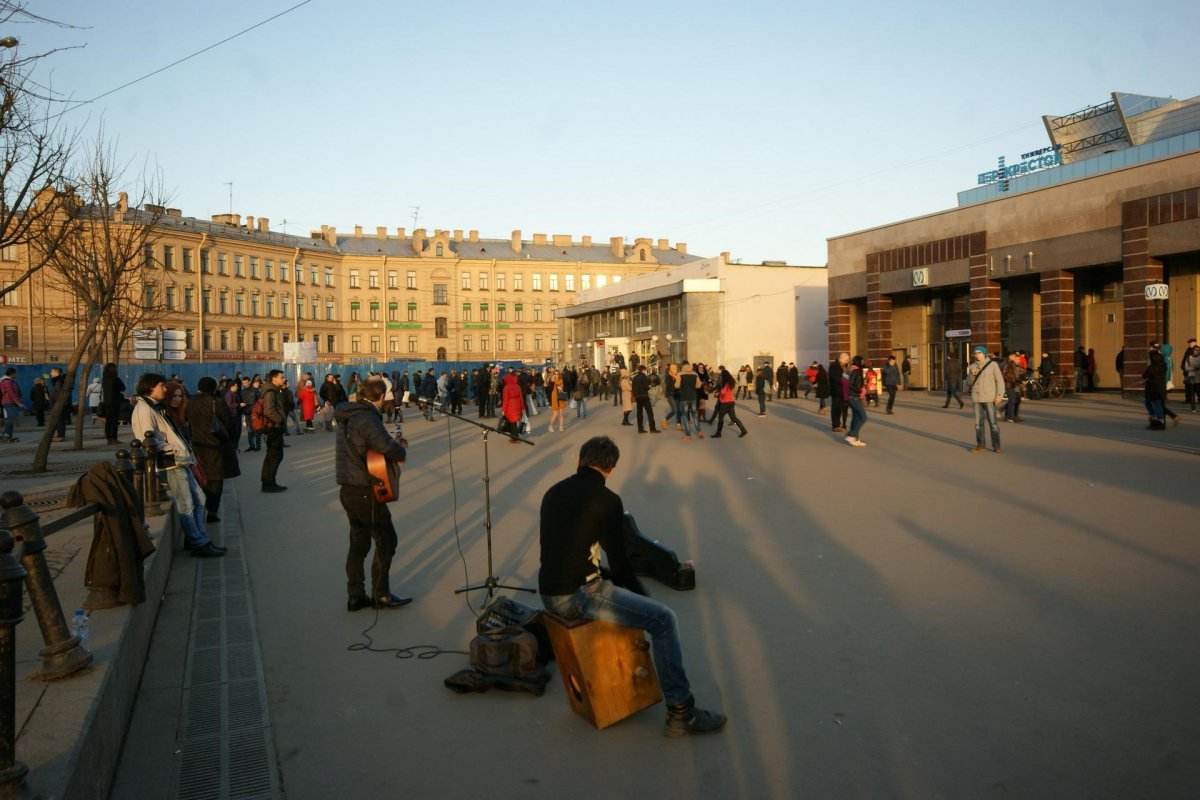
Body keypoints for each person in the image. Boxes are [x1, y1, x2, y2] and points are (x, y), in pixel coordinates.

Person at [538, 436, 726, 737]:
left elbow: (560, 549)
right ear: (611, 468)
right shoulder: (608, 501)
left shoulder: (553, 492)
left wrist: (610, 579)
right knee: (663, 619)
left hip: (548, 591)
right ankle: (682, 712)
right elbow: (621, 561)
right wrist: (640, 594)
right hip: (577, 596)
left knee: (624, 598)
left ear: (580, 460)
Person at [334, 377, 411, 611]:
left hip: (349, 487)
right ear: (380, 397)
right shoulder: (366, 418)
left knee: (359, 542)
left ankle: (355, 595)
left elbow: (369, 446)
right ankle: (381, 593)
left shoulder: (351, 414)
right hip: (364, 489)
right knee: (386, 539)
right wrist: (401, 452)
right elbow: (384, 445)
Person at [131, 373, 225, 557]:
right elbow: (146, 439)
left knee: (199, 499)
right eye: (162, 386)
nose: (165, 389)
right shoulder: (144, 409)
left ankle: (199, 538)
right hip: (170, 462)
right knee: (187, 504)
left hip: (180, 460)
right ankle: (199, 543)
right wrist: (173, 448)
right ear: (150, 387)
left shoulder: (153, 406)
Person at [187, 376, 238, 522]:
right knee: (216, 479)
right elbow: (229, 422)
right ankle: (212, 511)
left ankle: (200, 507)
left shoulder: (190, 402)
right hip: (216, 446)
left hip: (197, 445)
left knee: (200, 477)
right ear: (213, 388)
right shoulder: (217, 402)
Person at [967, 346, 1005, 453]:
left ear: (984, 354)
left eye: (979, 353)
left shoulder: (993, 365)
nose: (977, 354)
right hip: (977, 398)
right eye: (975, 353)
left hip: (989, 397)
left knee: (993, 423)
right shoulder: (972, 366)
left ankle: (996, 446)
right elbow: (969, 383)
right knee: (978, 424)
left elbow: (1000, 381)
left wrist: (999, 395)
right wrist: (972, 374)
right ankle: (980, 445)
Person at [259, 370, 287, 492]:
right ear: (274, 379)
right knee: (275, 456)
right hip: (273, 428)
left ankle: (268, 482)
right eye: (281, 377)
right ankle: (268, 483)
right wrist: (280, 420)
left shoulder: (274, 391)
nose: (283, 379)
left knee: (273, 456)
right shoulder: (270, 393)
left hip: (275, 428)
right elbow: (269, 411)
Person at [710, 366, 746, 439]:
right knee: (733, 418)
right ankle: (743, 430)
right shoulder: (731, 382)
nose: (721, 376)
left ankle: (718, 433)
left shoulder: (726, 384)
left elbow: (723, 393)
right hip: (731, 402)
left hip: (725, 403)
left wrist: (717, 394)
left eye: (722, 375)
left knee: (720, 418)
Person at [844, 356, 868, 447]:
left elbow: (847, 382)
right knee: (863, 417)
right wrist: (860, 390)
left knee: (856, 417)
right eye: (862, 361)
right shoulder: (857, 371)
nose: (863, 362)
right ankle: (852, 435)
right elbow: (852, 385)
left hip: (850, 397)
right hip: (855, 397)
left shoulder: (850, 370)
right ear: (859, 362)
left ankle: (855, 438)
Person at [1142, 349, 1168, 429]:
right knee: (1150, 403)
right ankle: (1156, 419)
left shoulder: (1153, 366)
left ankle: (1159, 420)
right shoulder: (1163, 365)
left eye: (1149, 357)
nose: (1148, 358)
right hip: (1159, 387)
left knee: (1155, 404)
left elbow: (1144, 375)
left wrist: (1148, 365)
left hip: (1153, 388)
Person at [101, 363, 126, 444]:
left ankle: (108, 439)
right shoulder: (116, 379)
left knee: (108, 421)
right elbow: (123, 388)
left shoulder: (104, 379)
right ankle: (114, 438)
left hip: (106, 402)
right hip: (115, 401)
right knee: (114, 421)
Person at [632, 365, 659, 433]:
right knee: (650, 412)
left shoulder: (634, 378)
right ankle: (652, 428)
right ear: (643, 370)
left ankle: (640, 429)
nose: (646, 371)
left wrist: (635, 395)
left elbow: (633, 388)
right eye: (646, 370)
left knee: (639, 413)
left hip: (638, 397)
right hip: (644, 396)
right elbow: (646, 387)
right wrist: (649, 386)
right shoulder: (644, 377)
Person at [1, 368, 25, 442]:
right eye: (15, 373)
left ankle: (8, 435)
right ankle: (6, 435)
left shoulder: (12, 382)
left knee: (12, 418)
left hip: (12, 403)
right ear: (12, 373)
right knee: (11, 418)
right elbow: (10, 393)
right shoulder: (7, 381)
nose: (16, 375)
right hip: (8, 402)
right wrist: (18, 403)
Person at [829, 354, 849, 431]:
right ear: (842, 358)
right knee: (835, 408)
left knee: (839, 408)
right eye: (846, 360)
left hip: (841, 391)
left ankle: (838, 424)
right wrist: (844, 381)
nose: (847, 362)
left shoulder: (842, 366)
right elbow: (834, 377)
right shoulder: (834, 366)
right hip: (836, 390)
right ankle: (835, 426)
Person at [1002, 352, 1024, 423]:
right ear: (1011, 357)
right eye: (1016, 358)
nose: (1018, 360)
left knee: (1016, 400)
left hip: (1015, 384)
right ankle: (1009, 416)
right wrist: (1011, 380)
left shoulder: (1016, 365)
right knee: (1012, 400)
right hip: (1009, 384)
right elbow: (1004, 374)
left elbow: (1018, 374)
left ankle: (1012, 415)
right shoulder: (1008, 364)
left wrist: (1023, 373)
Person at [1180, 339, 1200, 412]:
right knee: (1188, 386)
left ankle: (1197, 399)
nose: (1189, 344)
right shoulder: (1188, 350)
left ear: (1195, 343)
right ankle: (1188, 399)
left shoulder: (1198, 350)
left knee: (1197, 387)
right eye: (1189, 343)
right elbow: (1185, 360)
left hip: (1196, 373)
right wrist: (1183, 366)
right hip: (1189, 372)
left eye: (1191, 343)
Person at [546, 366, 567, 432]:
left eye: (557, 374)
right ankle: (550, 426)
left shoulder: (561, 380)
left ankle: (561, 427)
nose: (556, 375)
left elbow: (562, 387)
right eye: (555, 374)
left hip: (560, 398)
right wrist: (553, 381)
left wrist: (560, 388)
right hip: (555, 398)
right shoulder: (552, 381)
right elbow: (550, 389)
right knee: (555, 414)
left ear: (559, 375)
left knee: (561, 414)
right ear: (553, 375)